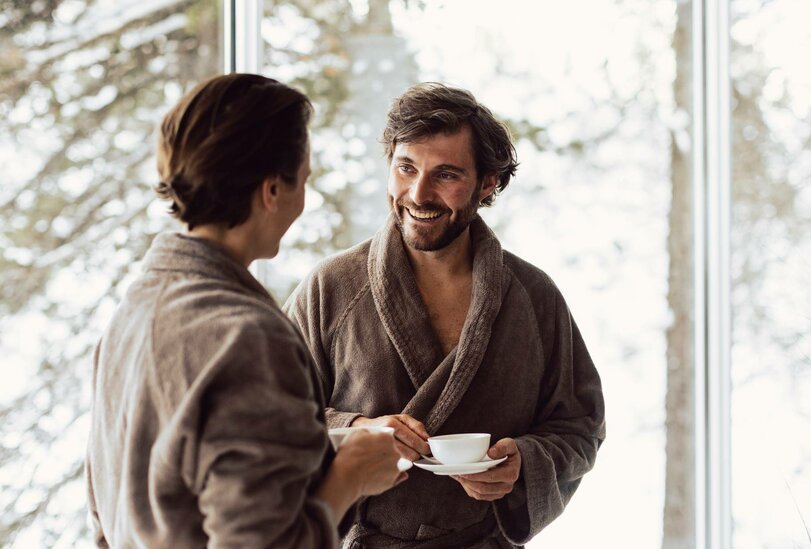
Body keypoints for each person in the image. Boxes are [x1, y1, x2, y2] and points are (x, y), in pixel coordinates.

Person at [85, 73, 406, 549]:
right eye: (303, 181)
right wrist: (352, 477)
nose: (304, 199)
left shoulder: (132, 311)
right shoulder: (249, 338)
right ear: (271, 190)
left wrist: (326, 452)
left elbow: (169, 482)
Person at [285, 82, 606, 548]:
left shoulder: (534, 298)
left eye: (447, 175)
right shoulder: (330, 288)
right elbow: (264, 419)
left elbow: (580, 424)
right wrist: (351, 432)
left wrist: (524, 463)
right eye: (406, 168)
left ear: (487, 182)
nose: (419, 193)